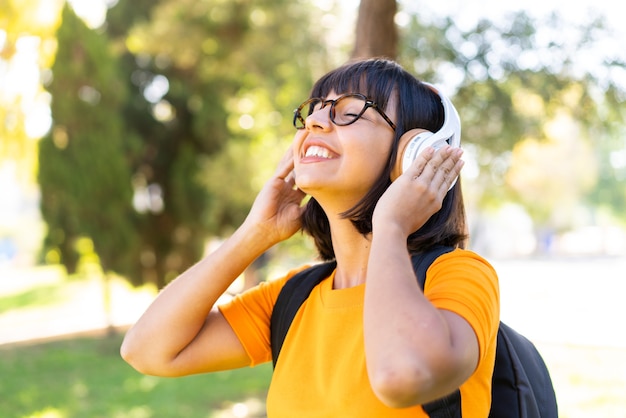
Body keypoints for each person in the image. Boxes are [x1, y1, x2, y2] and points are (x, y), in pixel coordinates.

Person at [121, 58, 500, 417]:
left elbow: (401, 375)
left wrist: (392, 227)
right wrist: (255, 233)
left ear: (417, 154)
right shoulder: (293, 298)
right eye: (315, 108)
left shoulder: (459, 275)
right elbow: (147, 350)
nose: (316, 121)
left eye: (350, 109)